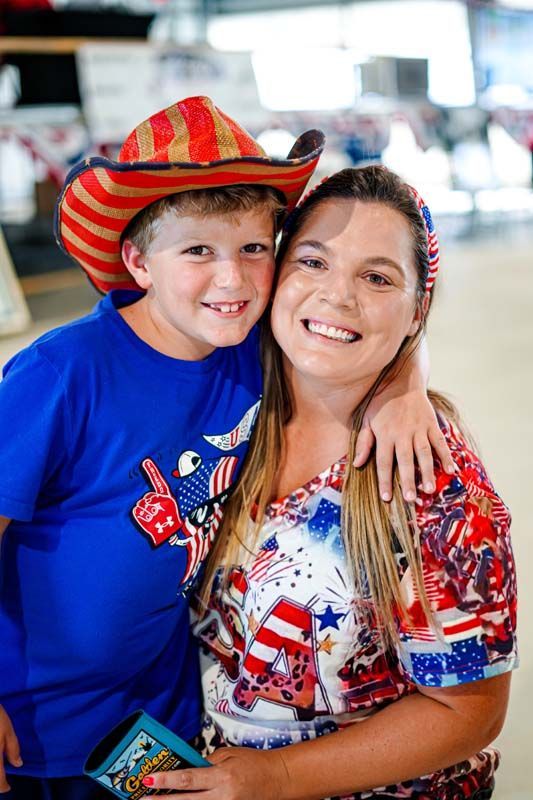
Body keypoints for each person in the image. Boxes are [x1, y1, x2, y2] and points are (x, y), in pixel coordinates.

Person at [0, 100, 451, 799]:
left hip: (162, 715)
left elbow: (351, 332)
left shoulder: (247, 350)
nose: (233, 280)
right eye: (197, 251)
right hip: (36, 725)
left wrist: (404, 383)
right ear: (137, 261)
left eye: (252, 249)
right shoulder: (62, 376)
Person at [145, 166, 518, 800]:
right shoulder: (225, 401)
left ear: (416, 310)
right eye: (313, 262)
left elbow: (468, 712)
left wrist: (278, 776)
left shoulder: (428, 479)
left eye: (376, 278)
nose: (338, 297)